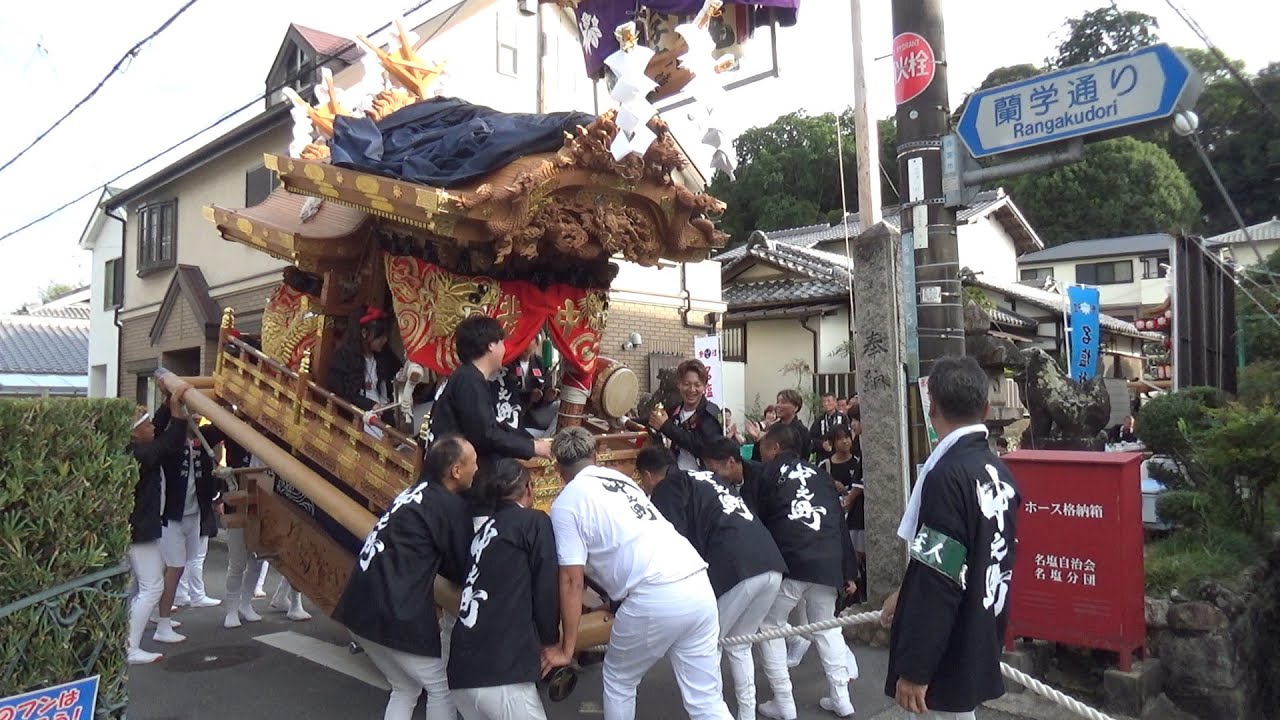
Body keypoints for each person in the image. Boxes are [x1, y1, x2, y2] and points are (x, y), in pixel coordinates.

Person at [541, 427, 732, 720]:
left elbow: (571, 579)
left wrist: (567, 649)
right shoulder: (622, 480)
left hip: (654, 594)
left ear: (557, 468)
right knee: (706, 700)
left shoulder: (566, 503)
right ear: (595, 457)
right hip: (696, 579)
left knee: (619, 680)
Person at [880, 355, 1021, 720]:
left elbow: (938, 578)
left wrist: (915, 668)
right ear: (986, 408)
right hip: (980, 621)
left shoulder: (947, 475)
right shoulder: (997, 470)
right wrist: (905, 593)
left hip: (948, 636)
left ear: (932, 408)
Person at [332, 436, 477, 720]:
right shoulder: (449, 505)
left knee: (405, 687)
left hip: (357, 605)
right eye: (474, 463)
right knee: (441, 688)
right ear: (456, 471)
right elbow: (462, 568)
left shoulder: (414, 492)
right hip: (394, 612)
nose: (478, 469)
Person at [636, 446, 786, 720]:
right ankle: (749, 713)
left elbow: (671, 539)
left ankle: (712, 714)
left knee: (707, 645)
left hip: (735, 567)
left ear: (647, 475)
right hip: (769, 559)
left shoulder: (667, 487)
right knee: (739, 643)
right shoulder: (707, 477)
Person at [753, 423, 859, 719]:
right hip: (827, 562)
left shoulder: (767, 474)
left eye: (762, 446)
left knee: (770, 626)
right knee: (826, 627)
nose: (760, 452)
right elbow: (838, 523)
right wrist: (848, 571)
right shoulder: (820, 475)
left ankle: (784, 703)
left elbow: (758, 521)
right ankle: (842, 699)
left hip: (790, 561)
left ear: (775, 447)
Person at [448, 459, 560, 720]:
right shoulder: (533, 521)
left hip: (461, 668)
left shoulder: (483, 532)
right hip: (502, 671)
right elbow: (546, 588)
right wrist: (550, 642)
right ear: (529, 488)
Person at [427, 316, 552, 463]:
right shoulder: (469, 380)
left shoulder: (469, 376)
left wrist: (530, 443)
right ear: (491, 345)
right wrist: (533, 447)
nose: (504, 348)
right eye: (501, 342)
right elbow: (485, 434)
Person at [125, 384, 190, 665]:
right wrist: (176, 411)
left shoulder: (135, 448)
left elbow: (158, 430)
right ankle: (130, 647)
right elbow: (169, 442)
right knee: (152, 586)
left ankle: (126, 641)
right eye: (147, 424)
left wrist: (166, 404)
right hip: (139, 531)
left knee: (138, 588)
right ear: (135, 433)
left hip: (139, 529)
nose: (153, 426)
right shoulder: (140, 455)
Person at [151, 400, 222, 645]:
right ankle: (162, 624)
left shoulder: (203, 439)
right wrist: (168, 403)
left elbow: (222, 427)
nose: (196, 416)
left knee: (179, 566)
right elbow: (158, 427)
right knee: (174, 568)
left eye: (197, 412)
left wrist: (222, 404)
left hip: (194, 514)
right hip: (171, 516)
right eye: (190, 412)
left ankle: (157, 612)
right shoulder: (169, 442)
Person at [327, 307, 402, 433]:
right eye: (380, 337)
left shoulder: (385, 355)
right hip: (359, 417)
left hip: (385, 414)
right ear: (364, 333)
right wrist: (370, 405)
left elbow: (397, 374)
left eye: (385, 336)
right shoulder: (343, 358)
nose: (384, 340)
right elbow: (343, 393)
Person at [649, 358, 723, 472]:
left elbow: (703, 447)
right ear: (679, 384)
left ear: (704, 386)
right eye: (686, 384)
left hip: (701, 478)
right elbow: (651, 421)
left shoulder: (711, 413)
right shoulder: (675, 410)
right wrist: (626, 421)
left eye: (697, 385)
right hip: (675, 476)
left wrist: (666, 427)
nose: (692, 390)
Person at [750, 390, 809, 462]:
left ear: (796, 407)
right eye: (778, 402)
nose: (778, 405)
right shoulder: (773, 428)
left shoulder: (802, 431)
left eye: (783, 402)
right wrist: (759, 440)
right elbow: (758, 458)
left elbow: (803, 458)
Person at [809, 392, 847, 463]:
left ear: (835, 402)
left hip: (840, 454)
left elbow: (848, 435)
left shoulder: (843, 418)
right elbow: (811, 437)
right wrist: (822, 444)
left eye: (829, 401)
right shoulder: (819, 420)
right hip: (823, 456)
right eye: (824, 401)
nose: (826, 404)